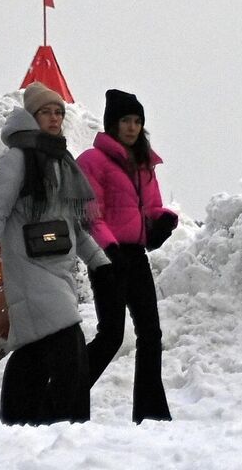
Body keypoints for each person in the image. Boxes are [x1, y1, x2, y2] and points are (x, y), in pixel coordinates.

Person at [0, 83, 114, 424]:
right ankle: (69, 423)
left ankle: (19, 421)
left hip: (58, 265)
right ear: (32, 117)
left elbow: (72, 223)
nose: (54, 118)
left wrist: (99, 261)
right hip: (30, 266)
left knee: (34, 349)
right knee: (69, 342)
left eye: (59, 112)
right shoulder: (17, 158)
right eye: (46, 112)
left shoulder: (60, 160)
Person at [77, 89, 177, 423]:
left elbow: (150, 208)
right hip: (107, 258)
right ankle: (62, 398)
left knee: (151, 334)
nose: (132, 127)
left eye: (137, 121)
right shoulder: (93, 162)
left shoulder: (144, 163)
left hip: (135, 256)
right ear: (112, 123)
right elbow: (91, 214)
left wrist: (161, 223)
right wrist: (109, 249)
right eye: (125, 120)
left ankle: (150, 412)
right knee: (111, 336)